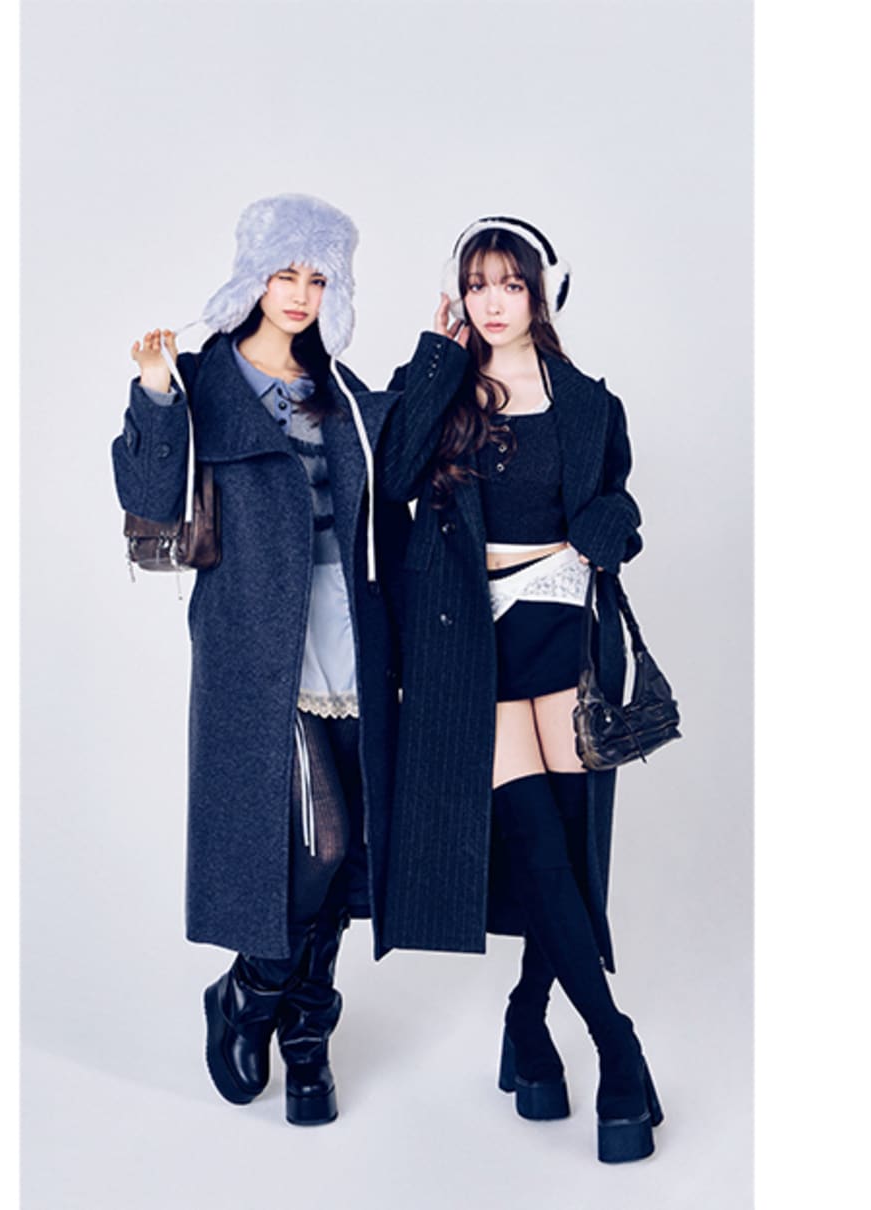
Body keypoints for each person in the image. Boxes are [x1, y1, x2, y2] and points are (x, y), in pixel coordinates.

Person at [111, 194, 414, 1126]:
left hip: (353, 634)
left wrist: (443, 355)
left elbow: (403, 465)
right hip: (259, 644)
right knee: (319, 842)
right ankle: (250, 993)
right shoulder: (207, 379)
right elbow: (150, 495)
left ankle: (309, 1035)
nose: (301, 294)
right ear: (254, 277)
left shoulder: (342, 391)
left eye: (318, 278)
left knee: (353, 846)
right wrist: (156, 393)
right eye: (286, 273)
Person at [379, 216, 663, 1163]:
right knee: (538, 845)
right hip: (471, 642)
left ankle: (528, 1018)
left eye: (510, 283)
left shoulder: (590, 402)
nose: (492, 301)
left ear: (542, 293)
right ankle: (616, 1046)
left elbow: (616, 498)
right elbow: (394, 474)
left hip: (563, 631)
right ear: (458, 294)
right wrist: (434, 357)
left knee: (572, 851)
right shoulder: (446, 387)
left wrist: (613, 523)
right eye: (477, 284)